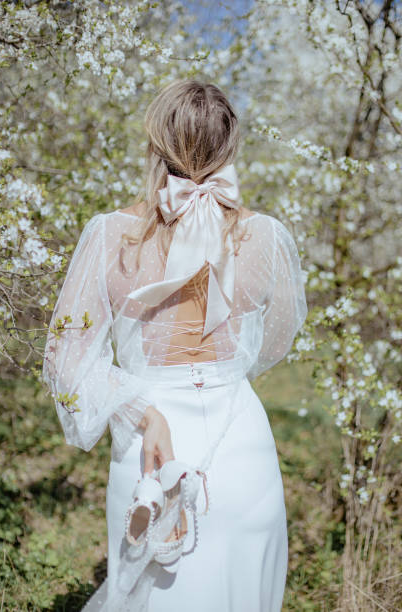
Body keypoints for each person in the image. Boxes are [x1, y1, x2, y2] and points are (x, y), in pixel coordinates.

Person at [42, 78, 308, 612]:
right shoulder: (267, 238)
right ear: (231, 147)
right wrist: (220, 373)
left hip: (149, 446)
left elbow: (65, 362)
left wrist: (144, 410)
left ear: (154, 145)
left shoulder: (109, 235)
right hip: (242, 443)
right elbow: (276, 340)